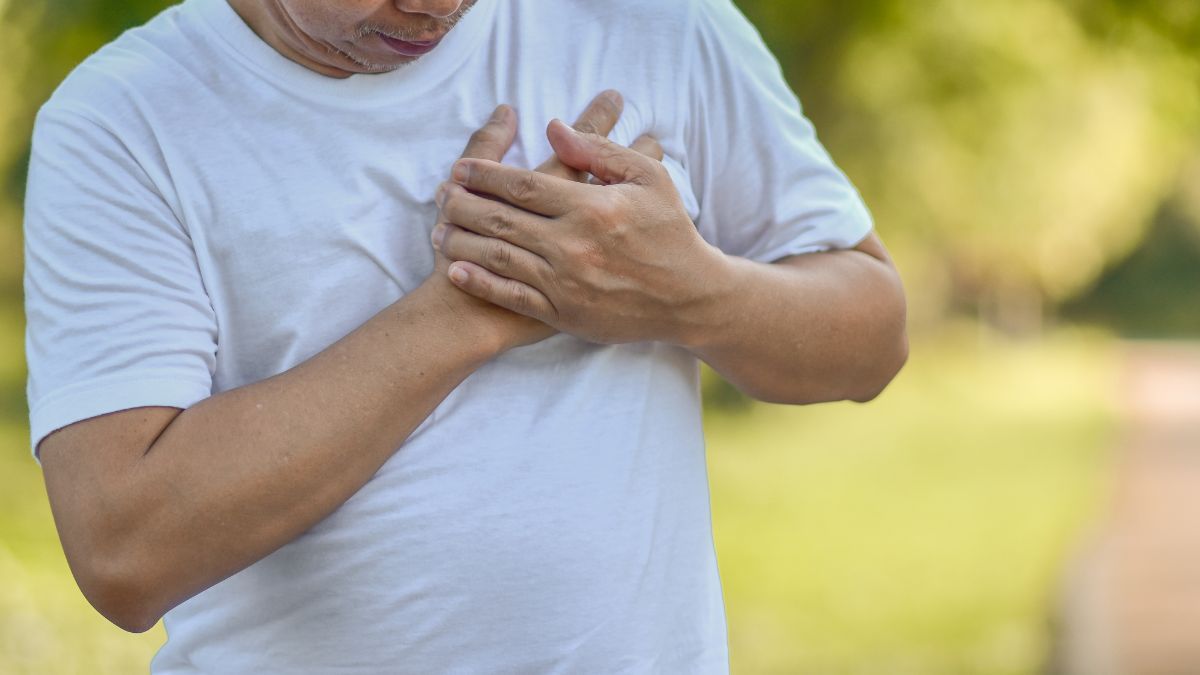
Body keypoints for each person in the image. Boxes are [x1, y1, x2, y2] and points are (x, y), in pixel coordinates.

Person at [23, 0, 908, 671]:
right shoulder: (123, 122)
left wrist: (687, 292)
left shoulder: (653, 21)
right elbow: (125, 551)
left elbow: (874, 334)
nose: (435, 2)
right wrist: (469, 307)